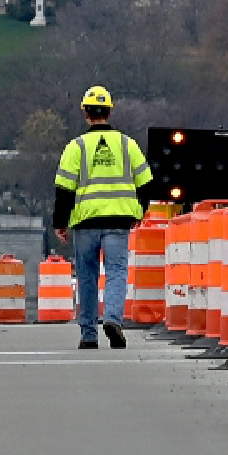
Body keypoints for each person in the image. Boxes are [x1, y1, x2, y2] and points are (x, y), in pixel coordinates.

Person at [52, 85, 152, 350]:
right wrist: (140, 210)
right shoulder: (127, 145)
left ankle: (88, 334)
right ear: (109, 112)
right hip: (118, 221)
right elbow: (146, 183)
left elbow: (64, 190)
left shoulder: (76, 147)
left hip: (85, 222)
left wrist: (60, 223)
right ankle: (112, 319)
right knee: (116, 272)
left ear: (85, 113)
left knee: (86, 275)